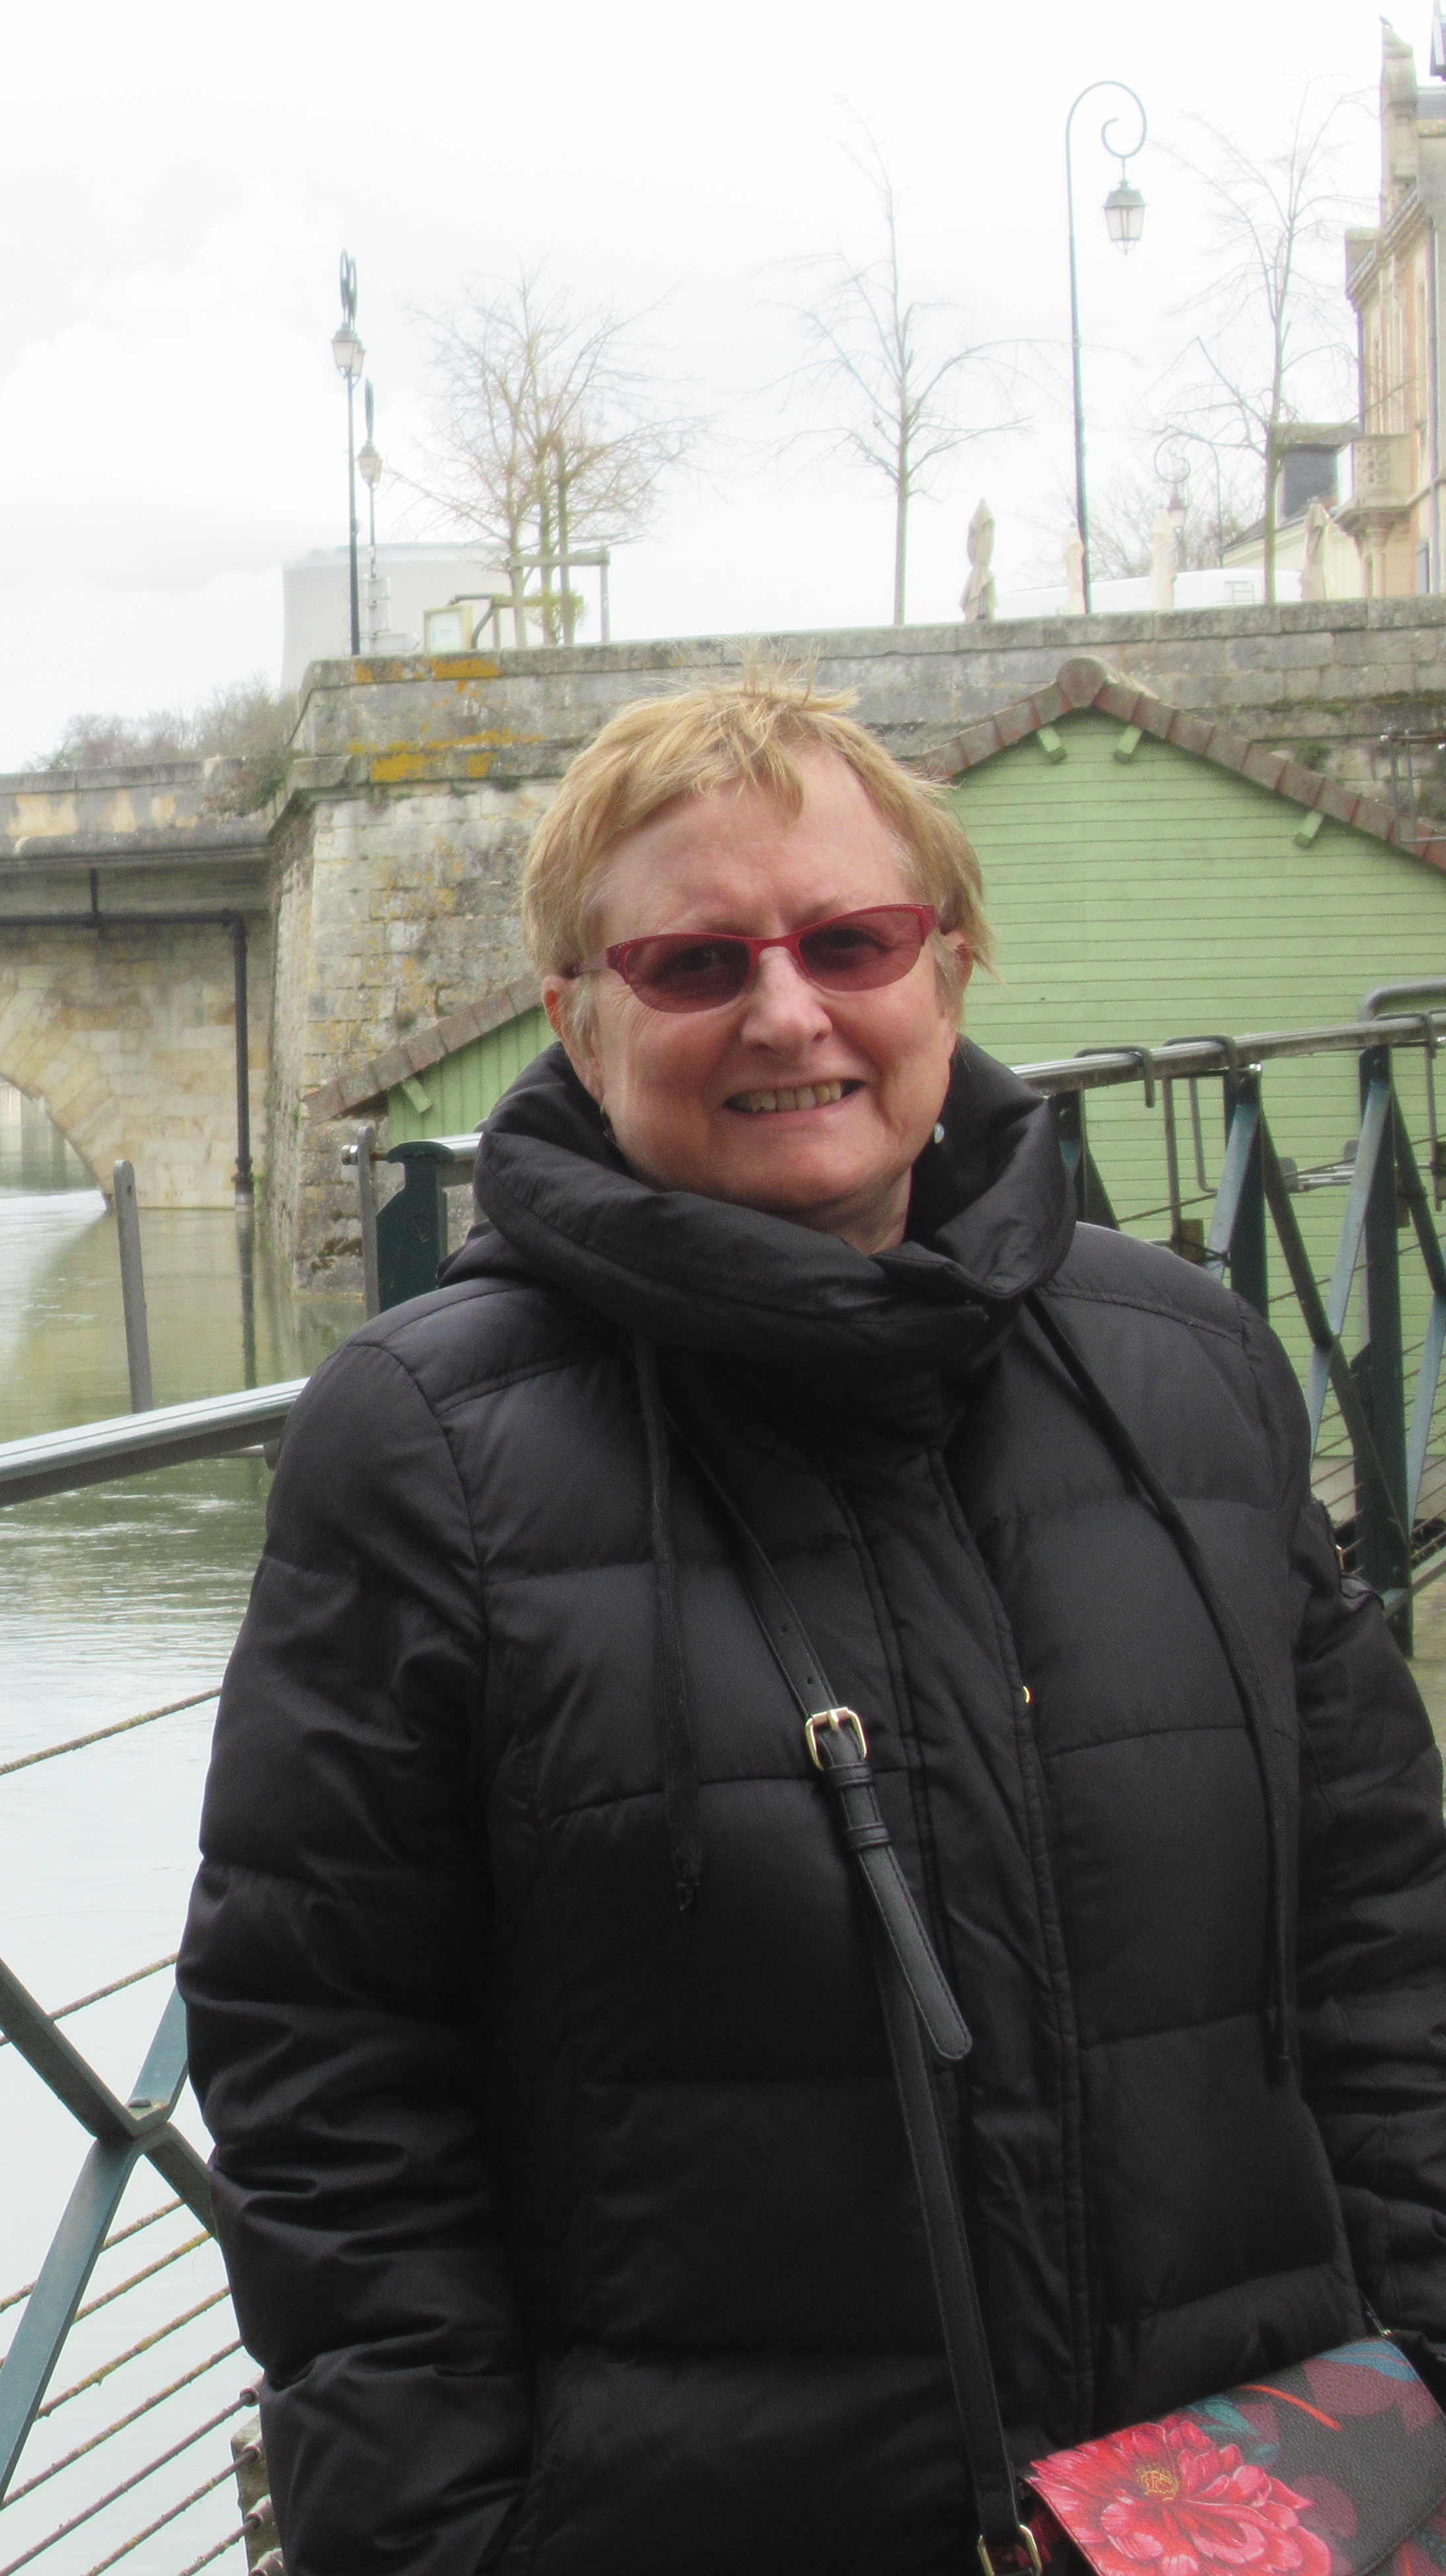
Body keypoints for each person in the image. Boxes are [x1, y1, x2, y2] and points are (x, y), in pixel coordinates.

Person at [180, 676, 1446, 2572]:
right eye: (696, 963)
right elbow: (323, 2060)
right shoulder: (429, 1440)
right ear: (578, 1016)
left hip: (1259, 2499)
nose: (788, 1013)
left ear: (949, 968)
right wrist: (443, 2538)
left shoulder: (1183, 1366)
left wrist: (1422, 2370)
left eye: (852, 942)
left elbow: (1381, 1935)